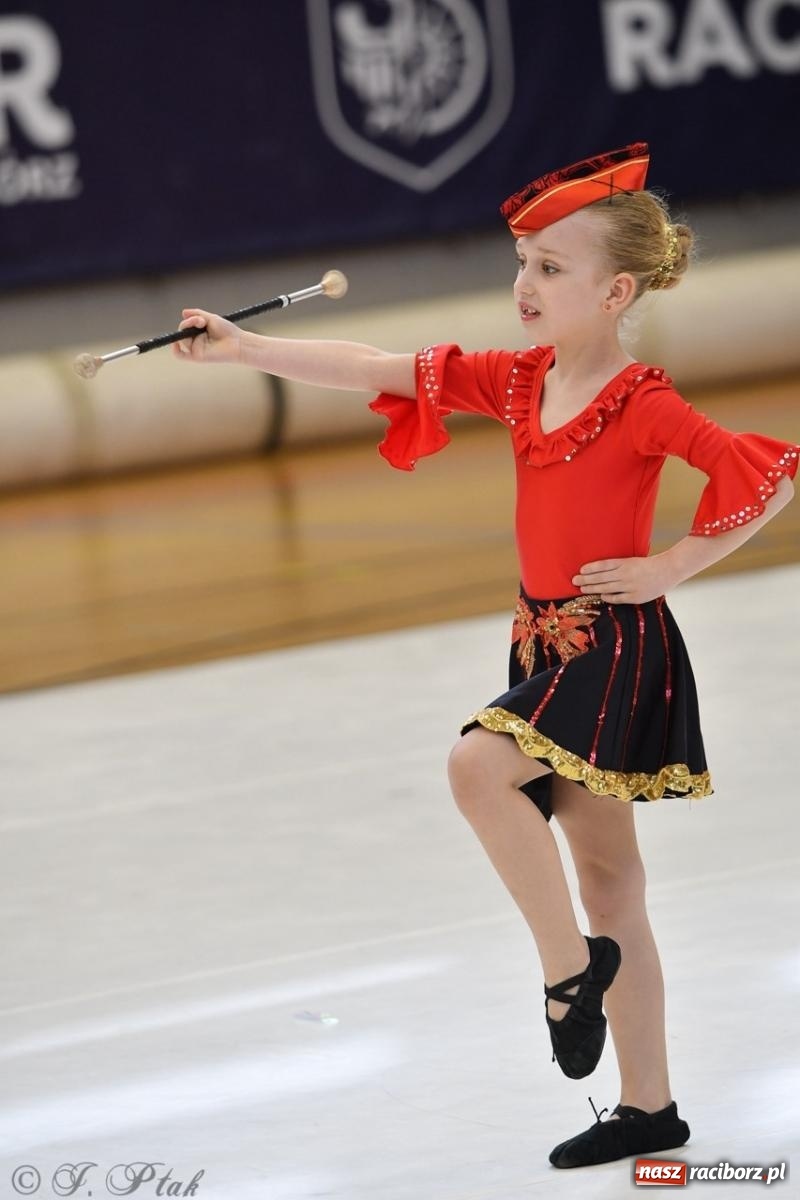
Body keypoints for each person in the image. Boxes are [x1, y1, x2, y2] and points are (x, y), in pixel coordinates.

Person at [174, 142, 798, 1169]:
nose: (524, 284)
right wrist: (244, 351)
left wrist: (671, 565)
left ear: (614, 292)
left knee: (476, 765)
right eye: (521, 261)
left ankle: (567, 972)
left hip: (609, 644)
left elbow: (763, 473)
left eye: (550, 268)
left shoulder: (640, 400)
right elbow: (381, 370)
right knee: (610, 882)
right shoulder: (515, 385)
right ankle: (649, 1108)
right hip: (539, 638)